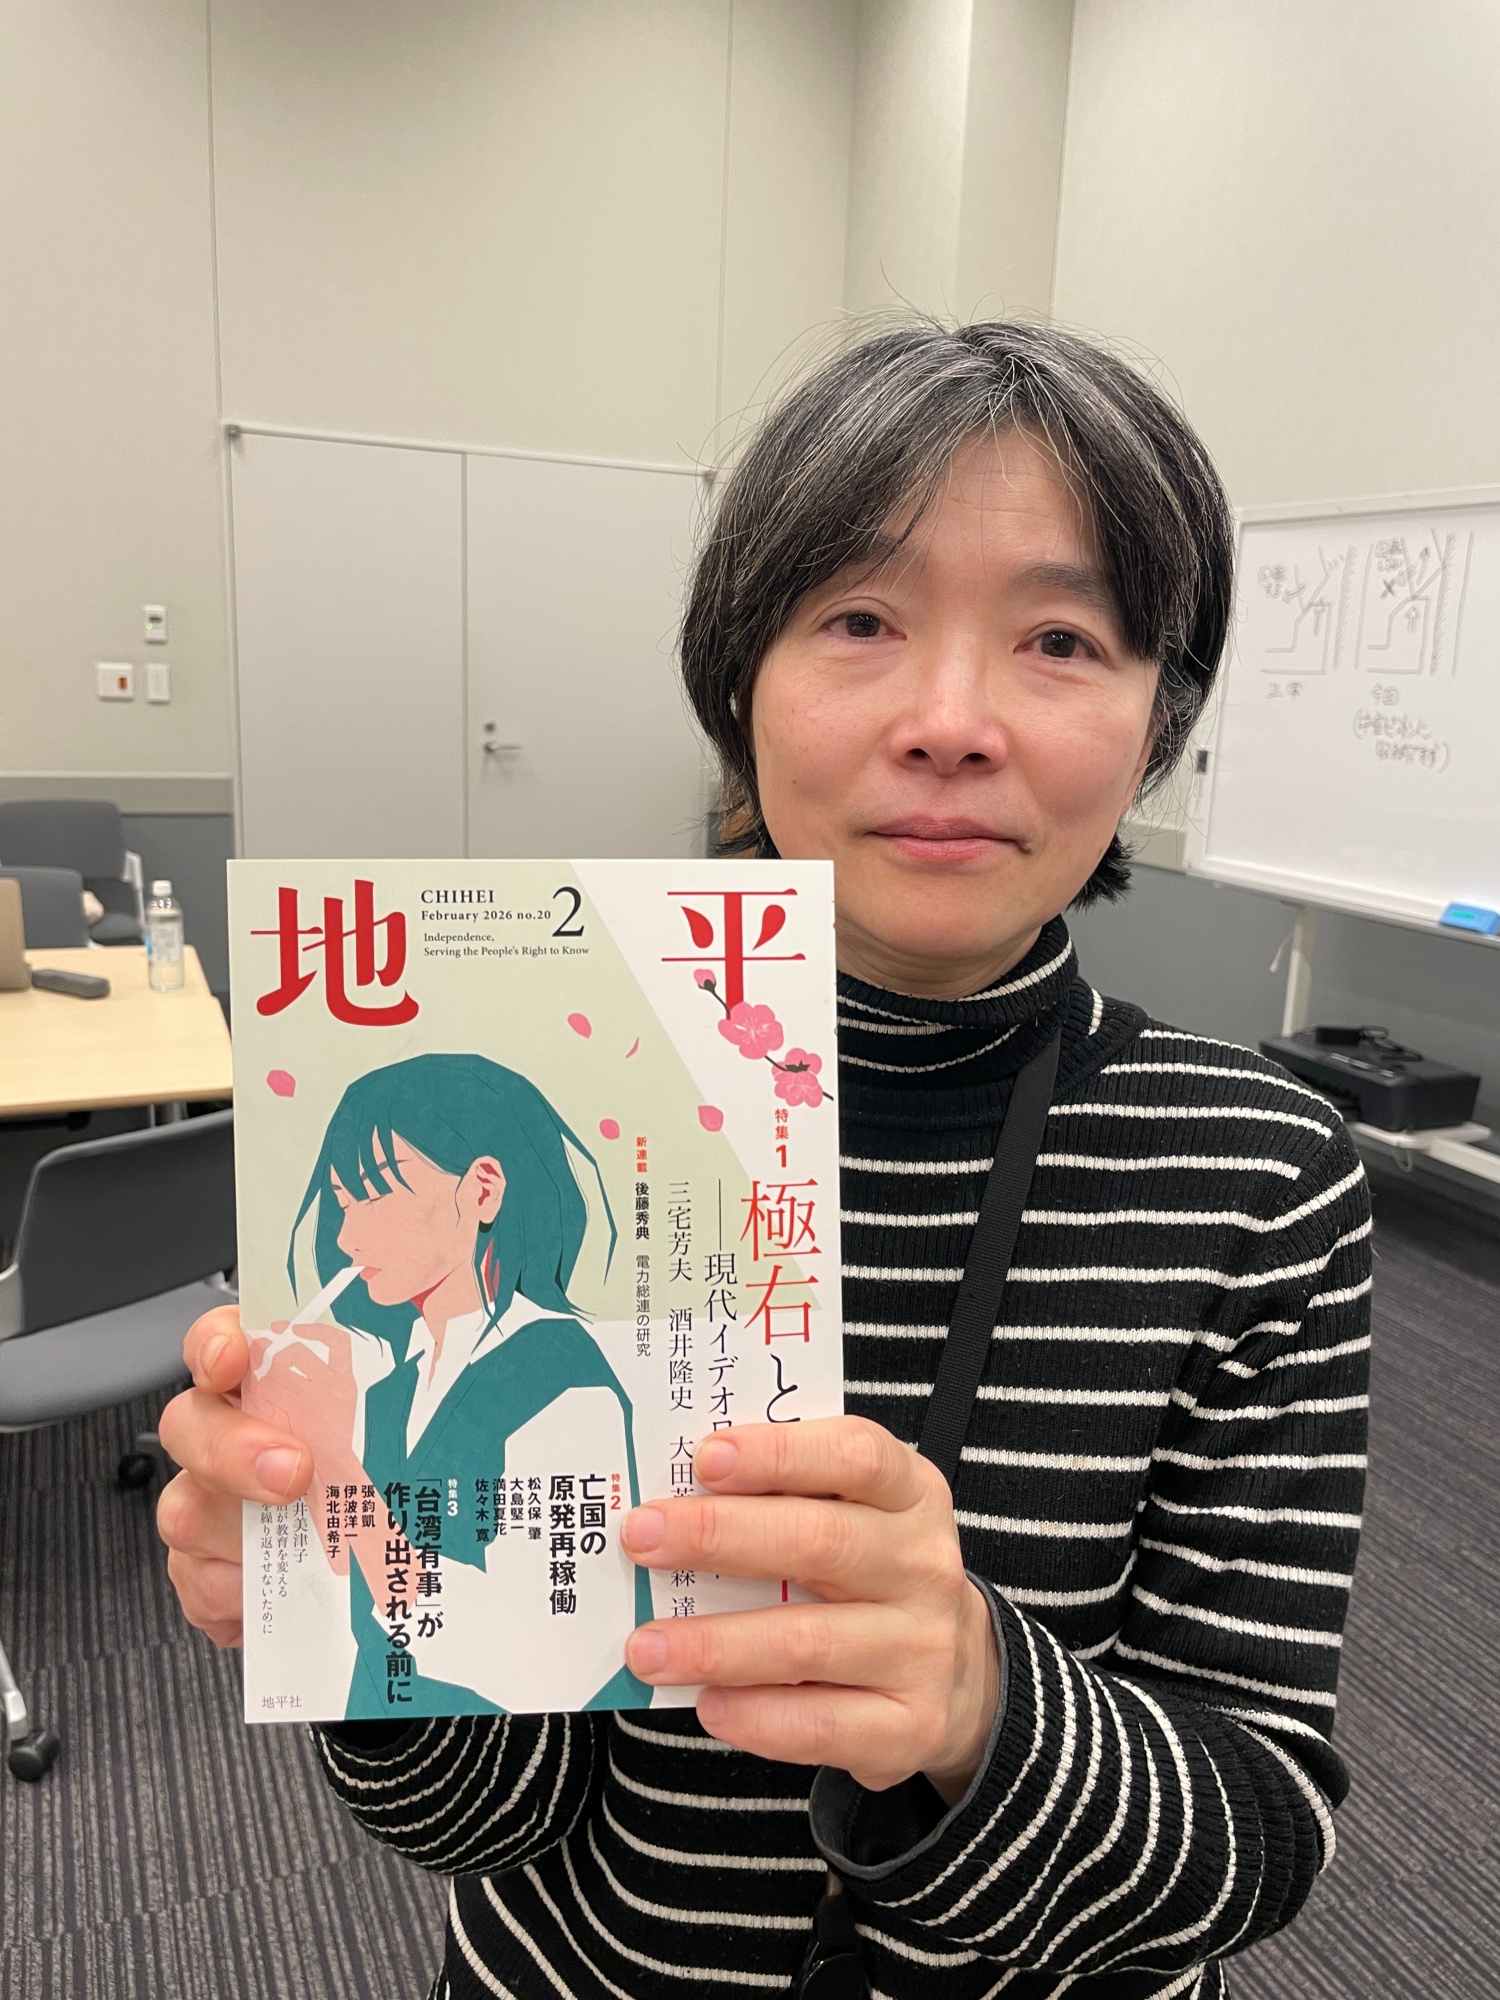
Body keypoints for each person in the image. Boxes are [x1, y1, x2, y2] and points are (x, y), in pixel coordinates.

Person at [158, 321, 1370, 2000]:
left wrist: (981, 1706)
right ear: (741, 681)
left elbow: (1259, 1836)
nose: (951, 722)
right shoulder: (556, 1116)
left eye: (1060, 639)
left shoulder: (1259, 1172)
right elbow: (486, 1820)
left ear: (1157, 723)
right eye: (860, 620)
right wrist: (359, 1605)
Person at [252, 1052, 651, 1717]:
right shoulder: (394, 1385)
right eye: (342, 1203)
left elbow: (547, 1661)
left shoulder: (563, 1376)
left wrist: (334, 1457)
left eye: (374, 1192)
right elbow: (347, 1572)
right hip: (388, 1738)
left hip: (530, 1755)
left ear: (482, 1190)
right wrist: (296, 1451)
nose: (347, 1236)